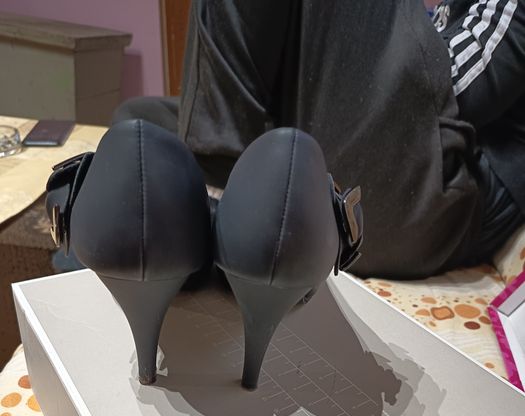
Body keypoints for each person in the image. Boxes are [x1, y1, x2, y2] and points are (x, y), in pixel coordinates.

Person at [113, 0, 525, 280]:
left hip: (435, 200)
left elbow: (458, 93)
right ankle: (223, 180)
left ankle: (222, 190)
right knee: (143, 125)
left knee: (175, 153)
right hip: (384, 167)